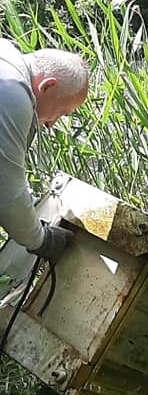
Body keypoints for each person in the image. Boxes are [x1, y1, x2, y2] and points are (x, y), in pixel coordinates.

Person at [0, 40, 89, 263]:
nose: (51, 124)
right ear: (47, 86)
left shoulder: (6, 54)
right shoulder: (13, 93)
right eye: (60, 112)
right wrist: (42, 240)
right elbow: (8, 196)